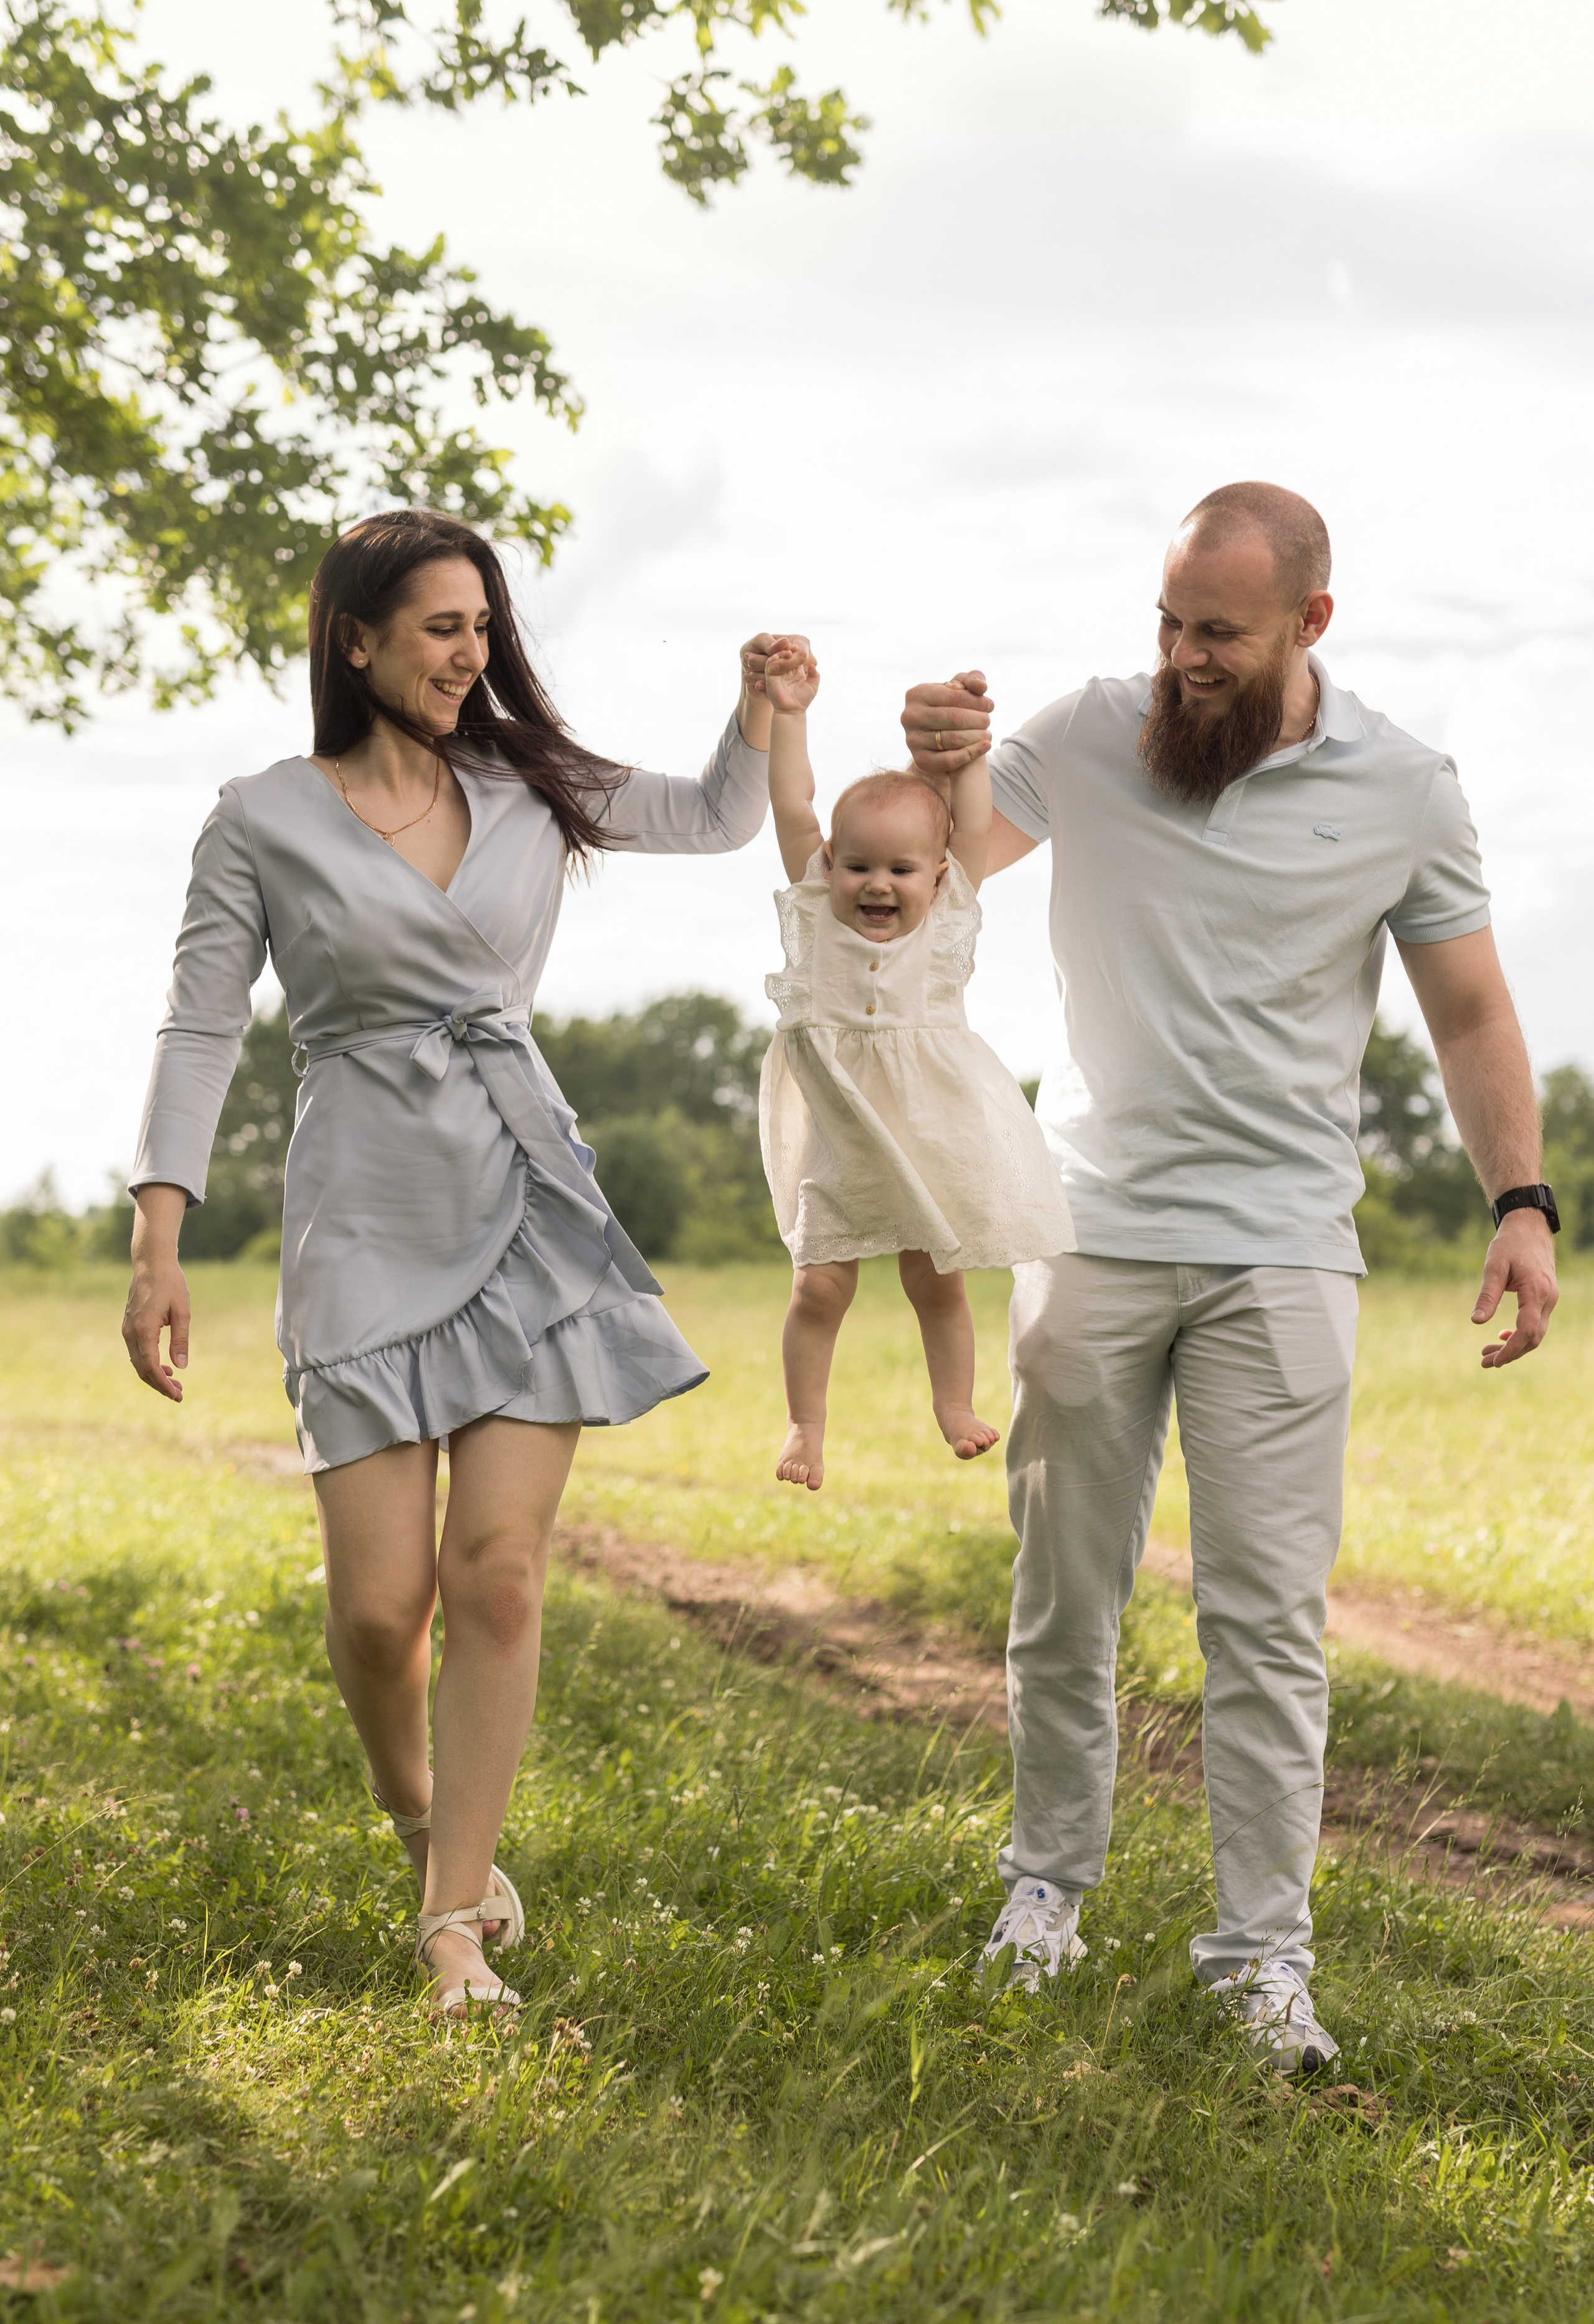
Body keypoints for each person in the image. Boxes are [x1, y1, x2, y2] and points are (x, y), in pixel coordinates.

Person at [900, 482, 1559, 2075]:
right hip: (1092, 1227)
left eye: (1219, 633)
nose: (1182, 659)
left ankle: (1259, 1960)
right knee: (1066, 1598)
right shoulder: (1084, 732)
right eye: (1168, 621)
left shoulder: (1402, 784)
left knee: (1266, 1625)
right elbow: (927, 882)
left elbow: (1468, 1011)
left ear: (1307, 626)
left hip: (1281, 1248)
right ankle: (1041, 1895)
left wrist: (1521, 1200)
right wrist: (933, 765)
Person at [122, 506, 790, 2018]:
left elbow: (709, 814)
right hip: (358, 1210)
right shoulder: (261, 817)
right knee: (379, 1608)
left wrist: (754, 714)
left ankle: (451, 1931)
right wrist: (159, 1232)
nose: (468, 654)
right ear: (353, 637)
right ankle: (426, 1816)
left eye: (481, 628)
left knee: (492, 1575)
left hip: (523, 1195)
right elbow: (201, 1023)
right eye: (440, 627)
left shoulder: (526, 785)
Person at [757, 639, 1072, 1491]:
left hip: (929, 1133)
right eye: (857, 864)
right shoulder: (817, 916)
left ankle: (955, 1405)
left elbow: (972, 825)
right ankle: (805, 1426)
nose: (878, 884)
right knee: (819, 1289)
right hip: (840, 1138)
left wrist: (969, 757)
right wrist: (790, 712)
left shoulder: (946, 919)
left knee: (937, 1280)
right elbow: (793, 804)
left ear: (936, 878)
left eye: (901, 868)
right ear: (831, 866)